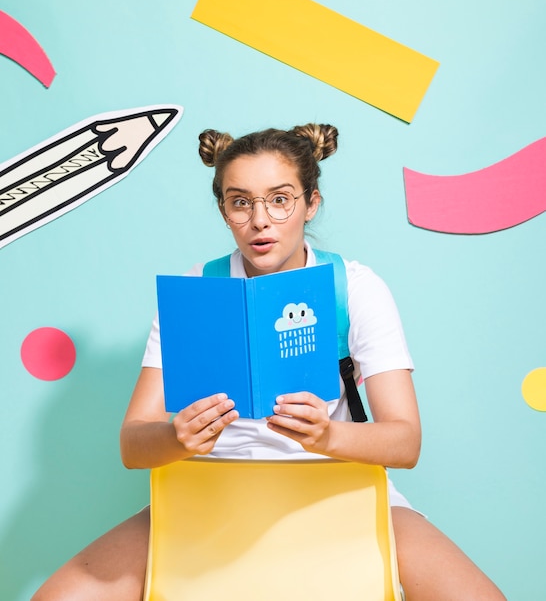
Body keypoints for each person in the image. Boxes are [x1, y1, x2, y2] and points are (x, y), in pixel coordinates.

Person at [32, 124, 506, 601]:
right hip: (206, 491)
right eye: (241, 202)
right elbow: (133, 446)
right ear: (224, 211)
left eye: (280, 199)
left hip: (335, 487)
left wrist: (329, 435)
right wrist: (176, 436)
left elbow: (406, 442)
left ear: (311, 203)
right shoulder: (194, 292)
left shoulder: (355, 289)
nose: (261, 220)